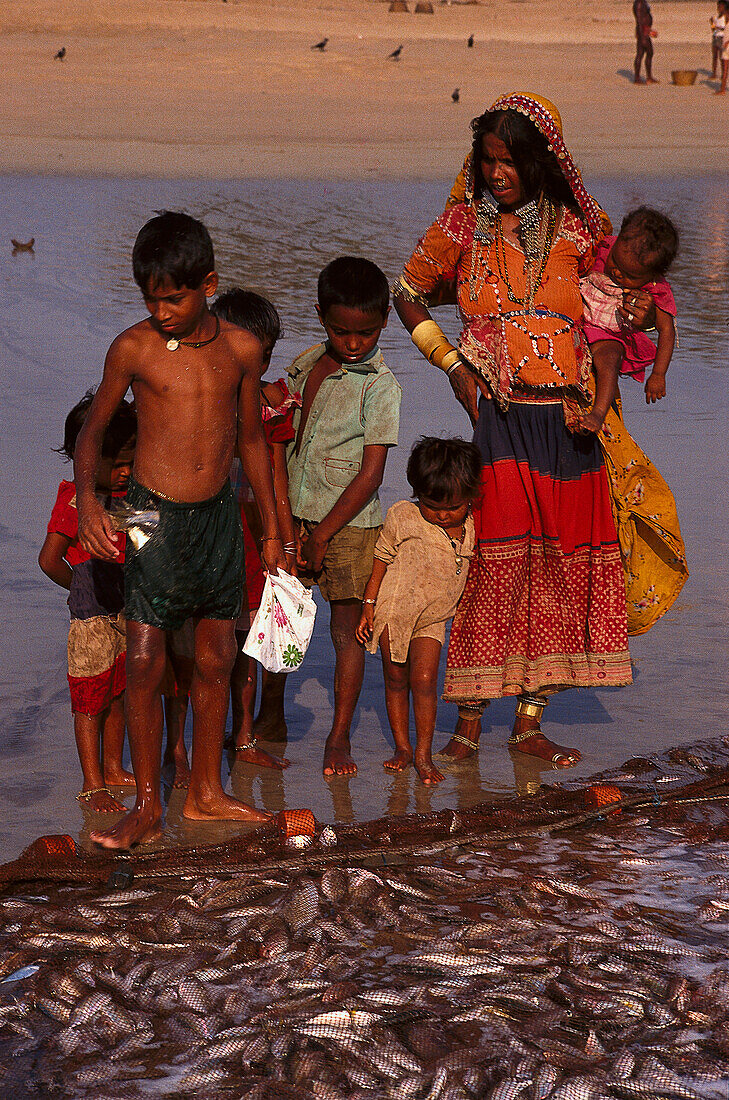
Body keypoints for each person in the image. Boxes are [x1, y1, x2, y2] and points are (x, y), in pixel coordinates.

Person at [393, 92, 635, 768]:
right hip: (497, 424)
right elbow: (406, 292)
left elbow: (613, 320)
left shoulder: (580, 235)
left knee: (558, 569)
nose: (496, 174)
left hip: (568, 427)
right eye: (487, 162)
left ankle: (528, 724)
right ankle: (468, 722)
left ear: (537, 161)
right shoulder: (461, 228)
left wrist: (637, 317)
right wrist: (449, 362)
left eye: (507, 162)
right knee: (491, 568)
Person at [74, 211, 286, 849]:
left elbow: (251, 442)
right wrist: (88, 501)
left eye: (174, 297)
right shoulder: (133, 348)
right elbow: (93, 432)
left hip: (218, 513)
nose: (161, 311)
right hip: (147, 512)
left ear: (210, 284)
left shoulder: (241, 350)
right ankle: (145, 801)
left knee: (218, 657)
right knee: (144, 658)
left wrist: (272, 533)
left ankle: (204, 791)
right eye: (150, 298)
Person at [287, 256, 402, 777]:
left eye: (365, 333)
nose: (353, 343)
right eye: (341, 331)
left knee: (345, 633)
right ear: (319, 317)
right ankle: (265, 719)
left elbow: (371, 474)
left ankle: (338, 734)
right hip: (293, 518)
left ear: (383, 324)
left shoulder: (381, 386)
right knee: (278, 623)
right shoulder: (308, 364)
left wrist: (324, 533)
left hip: (352, 529)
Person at [356, 437, 480, 784]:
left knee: (424, 680)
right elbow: (381, 560)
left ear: (469, 498)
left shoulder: (472, 525)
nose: (442, 514)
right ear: (417, 494)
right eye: (431, 505)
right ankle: (402, 748)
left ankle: (424, 754)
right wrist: (368, 608)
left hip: (433, 617)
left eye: (452, 507)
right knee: (396, 680)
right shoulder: (403, 516)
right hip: (394, 612)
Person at [211, 288, 298, 767]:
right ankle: (187, 747)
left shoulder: (271, 404)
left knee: (248, 642)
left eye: (263, 356)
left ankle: (242, 736)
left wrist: (284, 540)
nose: (255, 365)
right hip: (205, 533)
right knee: (203, 641)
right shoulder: (202, 399)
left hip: (252, 537)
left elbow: (277, 478)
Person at [39, 391, 137, 813]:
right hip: (92, 618)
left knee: (119, 691)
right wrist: (79, 587)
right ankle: (92, 780)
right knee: (90, 698)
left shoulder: (132, 499)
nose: (124, 472)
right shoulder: (76, 499)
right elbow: (48, 559)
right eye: (115, 463)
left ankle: (113, 768)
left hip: (126, 611)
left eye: (130, 461)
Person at [580, 207, 678, 408]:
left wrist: (658, 374)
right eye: (615, 261)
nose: (616, 272)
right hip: (577, 320)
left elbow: (667, 330)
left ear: (652, 276)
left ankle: (598, 414)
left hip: (608, 336)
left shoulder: (656, 288)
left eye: (630, 276)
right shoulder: (602, 247)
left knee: (609, 363)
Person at [633, 0, 658, 84]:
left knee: (648, 53)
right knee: (642, 54)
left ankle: (649, 77)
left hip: (645, 31)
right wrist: (642, 36)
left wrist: (649, 30)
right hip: (642, 32)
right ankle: (637, 78)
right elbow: (639, 21)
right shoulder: (639, 3)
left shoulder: (643, 2)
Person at [711, 0, 727, 79]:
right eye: (718, 7)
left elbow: (725, 28)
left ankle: (723, 74)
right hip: (715, 37)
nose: (719, 8)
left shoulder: (726, 17)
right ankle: (714, 73)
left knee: (722, 58)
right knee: (714, 56)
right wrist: (712, 24)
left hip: (721, 38)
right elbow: (713, 29)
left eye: (720, 6)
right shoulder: (716, 17)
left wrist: (718, 27)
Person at [717, 0, 729, 92]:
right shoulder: (725, 20)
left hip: (727, 46)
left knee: (725, 69)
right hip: (726, 46)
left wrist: (727, 42)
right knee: (725, 69)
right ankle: (722, 89)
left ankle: (722, 89)